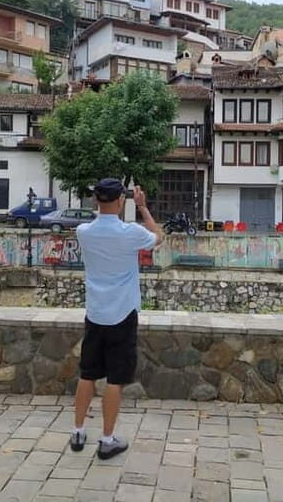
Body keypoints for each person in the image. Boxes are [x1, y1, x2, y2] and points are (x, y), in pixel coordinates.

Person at [71, 178, 163, 460]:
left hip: (95, 313)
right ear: (121, 201)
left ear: (96, 200)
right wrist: (144, 208)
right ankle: (107, 439)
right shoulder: (131, 232)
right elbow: (158, 237)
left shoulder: (83, 231)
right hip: (122, 314)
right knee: (114, 379)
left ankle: (78, 432)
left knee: (87, 373)